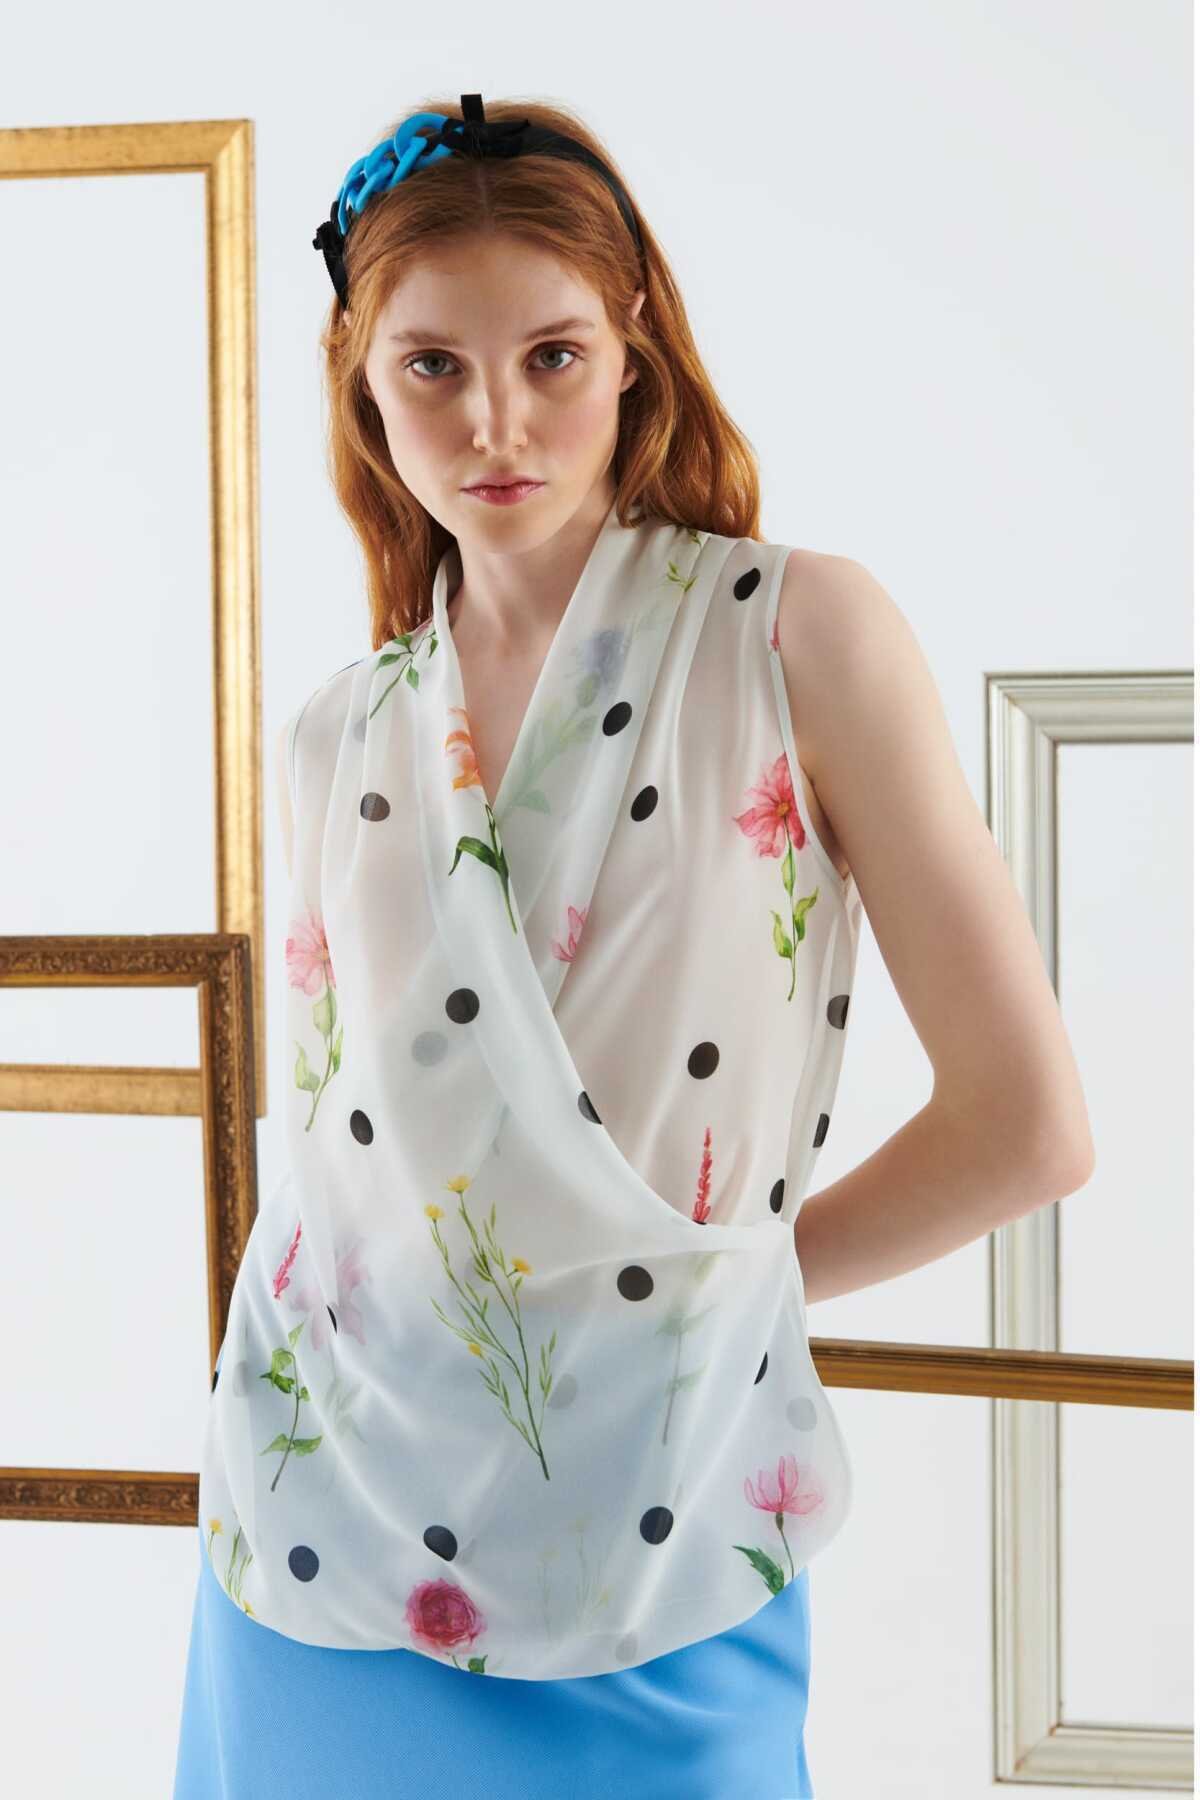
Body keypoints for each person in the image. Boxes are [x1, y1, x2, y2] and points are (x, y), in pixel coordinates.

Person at [173, 95, 1095, 1800]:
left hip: (661, 1528)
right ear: (360, 379)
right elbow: (358, 1170)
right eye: (432, 366)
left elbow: (1028, 1128)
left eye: (553, 354)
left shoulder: (796, 636)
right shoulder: (336, 730)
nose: (496, 420)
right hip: (315, 1526)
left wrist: (701, 1301)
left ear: (634, 347)